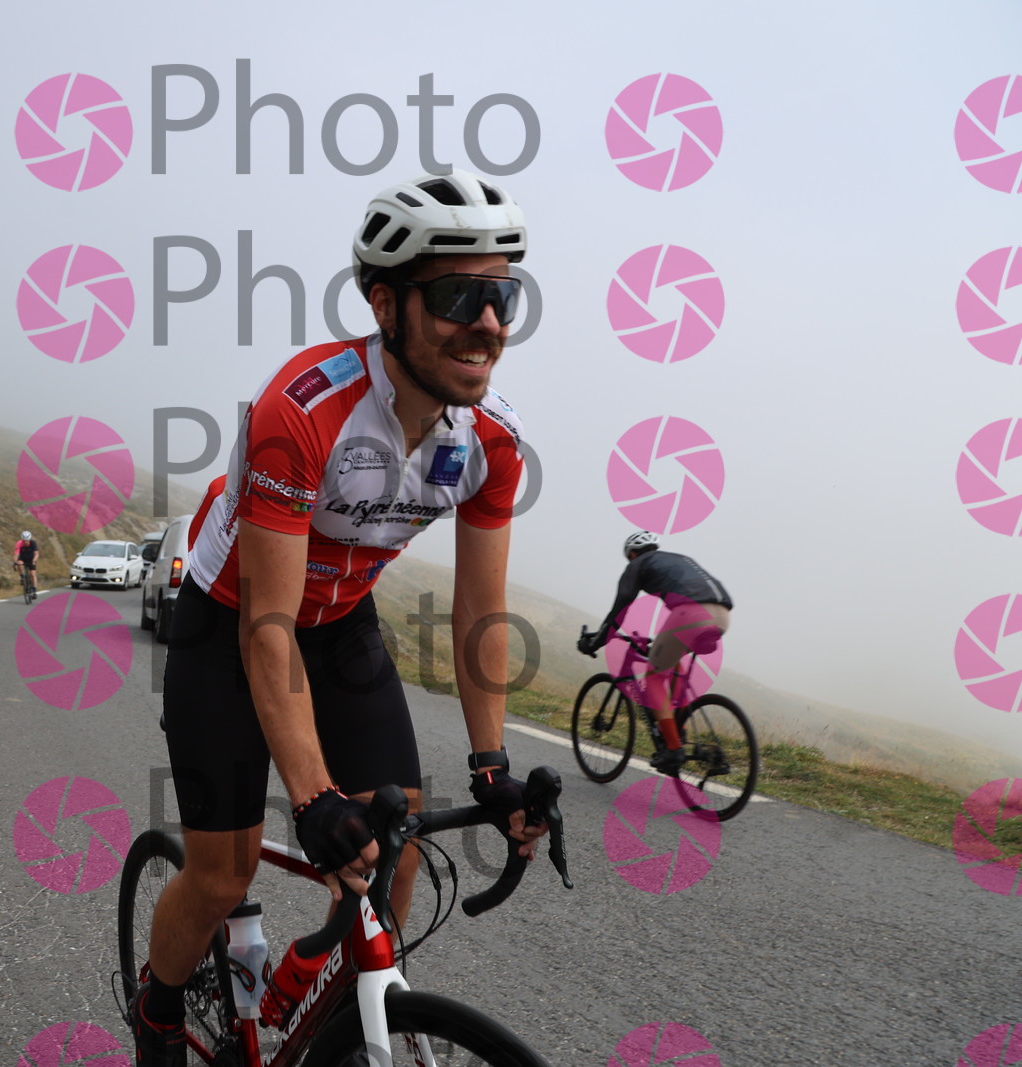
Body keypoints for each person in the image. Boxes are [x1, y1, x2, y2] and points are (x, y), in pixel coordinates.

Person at [131, 168, 548, 1066]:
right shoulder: (302, 412)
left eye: (503, 296)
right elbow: (266, 625)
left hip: (342, 623)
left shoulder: (492, 441)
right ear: (385, 304)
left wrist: (492, 767)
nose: (488, 322)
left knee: (393, 851)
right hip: (230, 621)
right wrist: (314, 795)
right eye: (459, 295)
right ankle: (158, 1011)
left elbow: (482, 609)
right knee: (223, 872)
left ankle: (335, 1009)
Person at [576, 531, 734, 774]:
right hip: (722, 615)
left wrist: (595, 642)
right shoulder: (678, 559)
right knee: (670, 663)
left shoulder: (638, 564)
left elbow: (620, 609)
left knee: (654, 678)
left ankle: (673, 748)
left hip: (691, 613)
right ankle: (678, 727)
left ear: (632, 554)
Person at [13, 530, 39, 595]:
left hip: (31, 559)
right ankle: (22, 577)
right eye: (24, 541)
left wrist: (34, 561)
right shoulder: (19, 543)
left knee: (33, 574)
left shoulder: (33, 543)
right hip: (22, 558)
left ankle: (34, 589)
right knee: (19, 563)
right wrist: (15, 563)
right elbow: (16, 554)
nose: (26, 542)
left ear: (30, 539)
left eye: (27, 540)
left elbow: (36, 554)